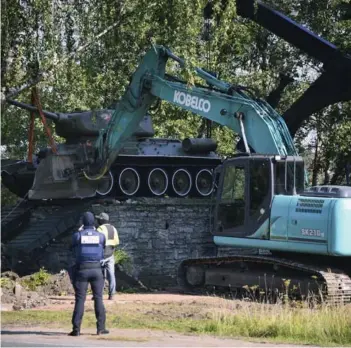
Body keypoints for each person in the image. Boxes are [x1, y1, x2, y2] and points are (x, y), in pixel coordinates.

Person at [69, 211, 109, 336]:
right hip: (97, 270)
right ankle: (101, 328)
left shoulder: (78, 235)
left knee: (80, 299)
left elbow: (72, 246)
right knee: (98, 298)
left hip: (82, 269)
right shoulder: (101, 236)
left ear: (83, 222)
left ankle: (76, 329)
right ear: (94, 222)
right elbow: (103, 247)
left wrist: (80, 230)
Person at [95, 212, 119, 300]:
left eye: (98, 219)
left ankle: (98, 294)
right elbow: (116, 242)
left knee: (99, 275)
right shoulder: (113, 228)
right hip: (111, 253)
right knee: (111, 275)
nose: (97, 220)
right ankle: (112, 294)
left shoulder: (100, 228)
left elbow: (97, 241)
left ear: (101, 220)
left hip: (102, 254)